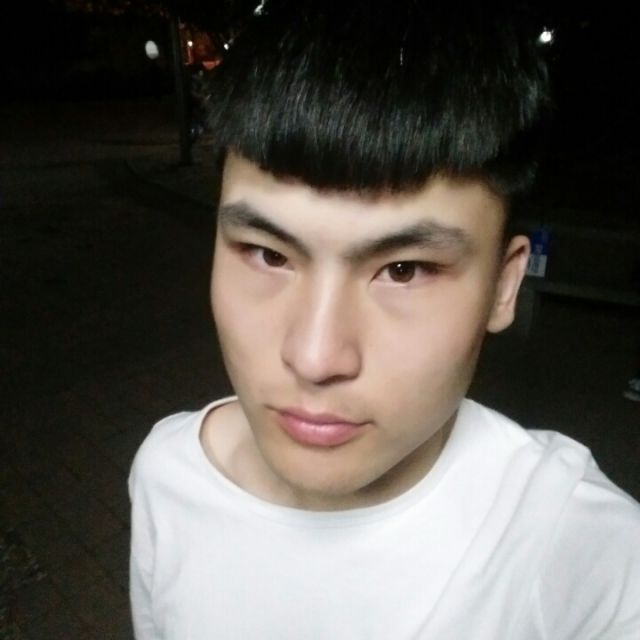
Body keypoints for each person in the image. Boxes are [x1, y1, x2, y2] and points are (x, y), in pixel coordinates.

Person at [129, 1, 640, 638]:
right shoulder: (166, 473)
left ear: (504, 286)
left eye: (404, 270)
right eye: (268, 254)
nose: (315, 357)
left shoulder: (584, 555)